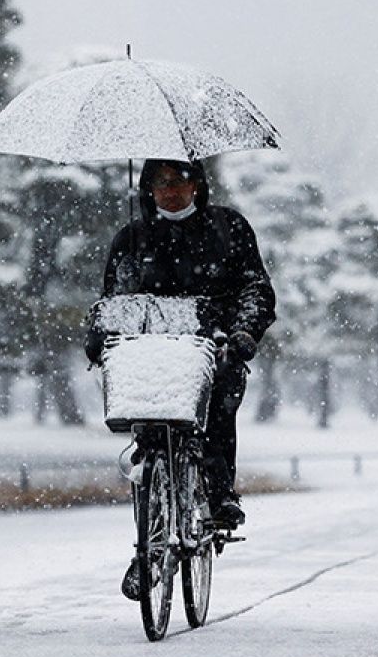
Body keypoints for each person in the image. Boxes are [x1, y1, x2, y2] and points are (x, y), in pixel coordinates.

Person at [86, 158, 275, 594]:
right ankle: (149, 547)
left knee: (217, 408)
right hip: (151, 355)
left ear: (198, 185)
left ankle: (220, 491)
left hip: (214, 347)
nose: (170, 191)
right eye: (160, 183)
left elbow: (256, 290)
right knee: (148, 437)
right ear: (147, 188)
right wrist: (99, 335)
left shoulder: (229, 229)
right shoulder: (131, 239)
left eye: (179, 181)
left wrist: (244, 333)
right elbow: (116, 300)